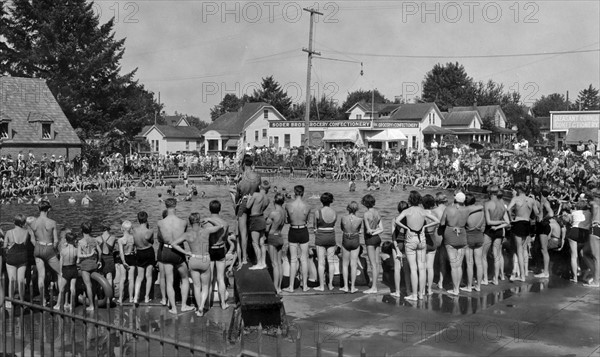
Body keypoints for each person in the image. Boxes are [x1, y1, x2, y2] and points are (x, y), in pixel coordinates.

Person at [171, 213, 223, 316]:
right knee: (205, 285)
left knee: (196, 286)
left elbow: (173, 244)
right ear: (199, 221)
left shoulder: (187, 234)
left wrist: (186, 252)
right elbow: (220, 226)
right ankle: (201, 306)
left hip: (193, 259)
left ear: (190, 222)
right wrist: (209, 220)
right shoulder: (206, 231)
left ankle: (199, 307)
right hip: (204, 259)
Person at [394, 191, 439, 301]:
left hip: (411, 238)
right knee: (422, 267)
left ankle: (414, 295)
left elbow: (397, 220)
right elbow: (436, 221)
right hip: (422, 238)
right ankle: (421, 293)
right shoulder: (423, 211)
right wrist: (424, 227)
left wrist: (407, 228)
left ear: (409, 200)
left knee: (413, 269)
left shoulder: (407, 211)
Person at [439, 192, 483, 295]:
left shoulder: (448, 209)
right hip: (462, 235)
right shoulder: (467, 209)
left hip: (450, 235)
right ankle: (458, 286)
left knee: (454, 265)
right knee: (459, 265)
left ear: (455, 199)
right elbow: (481, 206)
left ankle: (455, 289)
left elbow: (442, 223)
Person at [157, 198, 193, 314]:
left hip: (166, 251)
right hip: (179, 252)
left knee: (169, 281)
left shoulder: (160, 223)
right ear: (176, 206)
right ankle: (183, 305)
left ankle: (173, 308)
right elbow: (184, 238)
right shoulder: (183, 222)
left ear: (165, 207)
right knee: (184, 278)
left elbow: (160, 239)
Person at [232, 155, 261, 267]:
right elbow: (258, 189)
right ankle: (255, 256)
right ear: (252, 164)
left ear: (244, 164)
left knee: (243, 233)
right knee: (253, 230)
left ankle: (244, 258)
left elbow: (237, 197)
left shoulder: (241, 180)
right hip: (254, 202)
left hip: (243, 203)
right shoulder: (258, 177)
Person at [30, 200, 61, 305]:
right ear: (49, 209)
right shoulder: (52, 222)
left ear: (38, 209)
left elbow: (32, 240)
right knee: (60, 273)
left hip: (38, 248)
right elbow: (56, 240)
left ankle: (42, 300)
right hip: (48, 248)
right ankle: (60, 300)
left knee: (41, 276)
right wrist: (54, 250)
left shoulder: (33, 223)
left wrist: (39, 247)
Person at [507, 182, 539, 282]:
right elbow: (537, 213)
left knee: (518, 250)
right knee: (523, 248)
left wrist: (511, 219)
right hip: (527, 224)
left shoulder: (515, 199)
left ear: (519, 189)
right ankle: (523, 273)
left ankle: (520, 275)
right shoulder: (531, 200)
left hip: (518, 223)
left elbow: (508, 209)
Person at [284, 185, 311, 293]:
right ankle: (304, 286)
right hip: (303, 231)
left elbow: (287, 221)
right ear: (303, 193)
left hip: (293, 230)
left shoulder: (288, 205)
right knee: (304, 259)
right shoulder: (308, 206)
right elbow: (307, 221)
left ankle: (291, 287)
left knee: (293, 260)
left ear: (295, 193)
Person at [3, 214, 33, 308]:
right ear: (23, 223)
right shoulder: (26, 232)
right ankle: (22, 300)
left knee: (12, 279)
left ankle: (10, 301)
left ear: (14, 222)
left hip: (12, 257)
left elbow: (4, 246)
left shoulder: (9, 232)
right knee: (21, 280)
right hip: (22, 257)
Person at [483, 186, 510, 285]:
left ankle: (485, 279)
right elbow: (507, 222)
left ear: (490, 193)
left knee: (483, 255)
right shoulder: (502, 205)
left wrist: (497, 223)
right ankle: (495, 278)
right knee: (496, 255)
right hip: (498, 231)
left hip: (489, 231)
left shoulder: (487, 204)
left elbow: (489, 222)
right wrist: (499, 225)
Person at [206, 200, 230, 309]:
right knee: (220, 278)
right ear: (220, 209)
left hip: (210, 249)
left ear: (209, 209)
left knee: (209, 279)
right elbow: (225, 239)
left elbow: (203, 239)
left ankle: (207, 304)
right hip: (220, 249)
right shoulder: (225, 223)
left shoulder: (206, 223)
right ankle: (223, 304)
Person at [314, 192, 337, 291]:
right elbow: (334, 224)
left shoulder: (317, 212)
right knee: (330, 261)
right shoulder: (334, 212)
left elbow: (315, 227)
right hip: (331, 236)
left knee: (321, 262)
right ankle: (330, 284)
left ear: (321, 201)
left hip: (320, 236)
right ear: (331, 201)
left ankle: (322, 286)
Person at [362, 194, 384, 294]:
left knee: (372, 264)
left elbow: (368, 231)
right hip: (377, 239)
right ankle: (375, 284)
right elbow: (382, 229)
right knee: (377, 262)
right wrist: (375, 231)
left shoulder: (366, 214)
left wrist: (372, 231)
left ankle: (374, 287)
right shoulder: (377, 213)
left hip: (370, 240)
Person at [246, 180, 271, 270]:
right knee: (262, 243)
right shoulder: (267, 199)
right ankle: (263, 263)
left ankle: (259, 263)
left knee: (255, 242)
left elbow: (248, 206)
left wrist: (249, 198)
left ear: (260, 186)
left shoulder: (256, 195)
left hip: (254, 219)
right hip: (262, 218)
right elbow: (262, 209)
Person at [463, 193, 485, 293]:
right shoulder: (480, 210)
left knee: (469, 263)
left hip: (469, 235)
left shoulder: (466, 210)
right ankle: (478, 286)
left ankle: (469, 286)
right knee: (479, 263)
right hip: (479, 235)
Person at [566, 199, 592, 283]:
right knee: (583, 253)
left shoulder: (573, 212)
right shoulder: (589, 213)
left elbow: (569, 221)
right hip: (585, 233)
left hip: (574, 231)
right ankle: (585, 270)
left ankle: (575, 277)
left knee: (574, 255)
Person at [133, 211, 155, 304]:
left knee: (139, 276)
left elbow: (134, 242)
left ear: (138, 219)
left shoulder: (134, 229)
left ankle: (135, 297)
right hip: (148, 251)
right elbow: (152, 242)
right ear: (147, 219)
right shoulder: (150, 231)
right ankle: (146, 297)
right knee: (148, 275)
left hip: (139, 251)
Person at [78, 222, 100, 311]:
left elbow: (79, 255)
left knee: (88, 285)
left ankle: (91, 305)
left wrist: (87, 255)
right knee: (94, 284)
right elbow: (100, 251)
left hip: (85, 265)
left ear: (82, 230)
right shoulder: (94, 240)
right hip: (94, 264)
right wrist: (99, 260)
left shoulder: (80, 242)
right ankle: (96, 301)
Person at [266, 193, 286, 294]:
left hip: (272, 237)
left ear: (274, 201)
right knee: (279, 264)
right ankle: (279, 287)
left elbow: (266, 227)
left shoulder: (273, 213)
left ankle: (275, 288)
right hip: (280, 236)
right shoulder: (284, 212)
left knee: (274, 264)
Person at [54, 231, 78, 311]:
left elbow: (61, 262)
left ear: (66, 240)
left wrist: (60, 272)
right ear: (73, 240)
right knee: (72, 287)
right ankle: (72, 305)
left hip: (66, 269)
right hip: (74, 268)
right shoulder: (76, 250)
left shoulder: (63, 251)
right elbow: (77, 261)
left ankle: (58, 304)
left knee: (62, 288)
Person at [534, 186, 555, 279]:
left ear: (541, 194)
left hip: (544, 226)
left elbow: (551, 214)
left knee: (544, 249)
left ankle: (546, 272)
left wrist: (543, 219)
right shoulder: (543, 202)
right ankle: (541, 269)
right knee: (538, 248)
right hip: (541, 227)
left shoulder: (545, 202)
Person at [117, 220, 136, 305]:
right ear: (130, 229)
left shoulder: (121, 240)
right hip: (131, 257)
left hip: (124, 258)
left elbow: (121, 252)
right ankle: (131, 298)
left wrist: (124, 262)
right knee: (131, 279)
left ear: (122, 229)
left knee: (122, 279)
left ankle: (121, 298)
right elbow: (135, 250)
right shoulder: (133, 238)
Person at [96, 224, 116, 297]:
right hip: (110, 259)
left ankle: (101, 295)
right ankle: (110, 296)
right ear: (109, 229)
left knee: (101, 278)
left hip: (101, 259)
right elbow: (113, 249)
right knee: (109, 278)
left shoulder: (97, 239)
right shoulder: (113, 238)